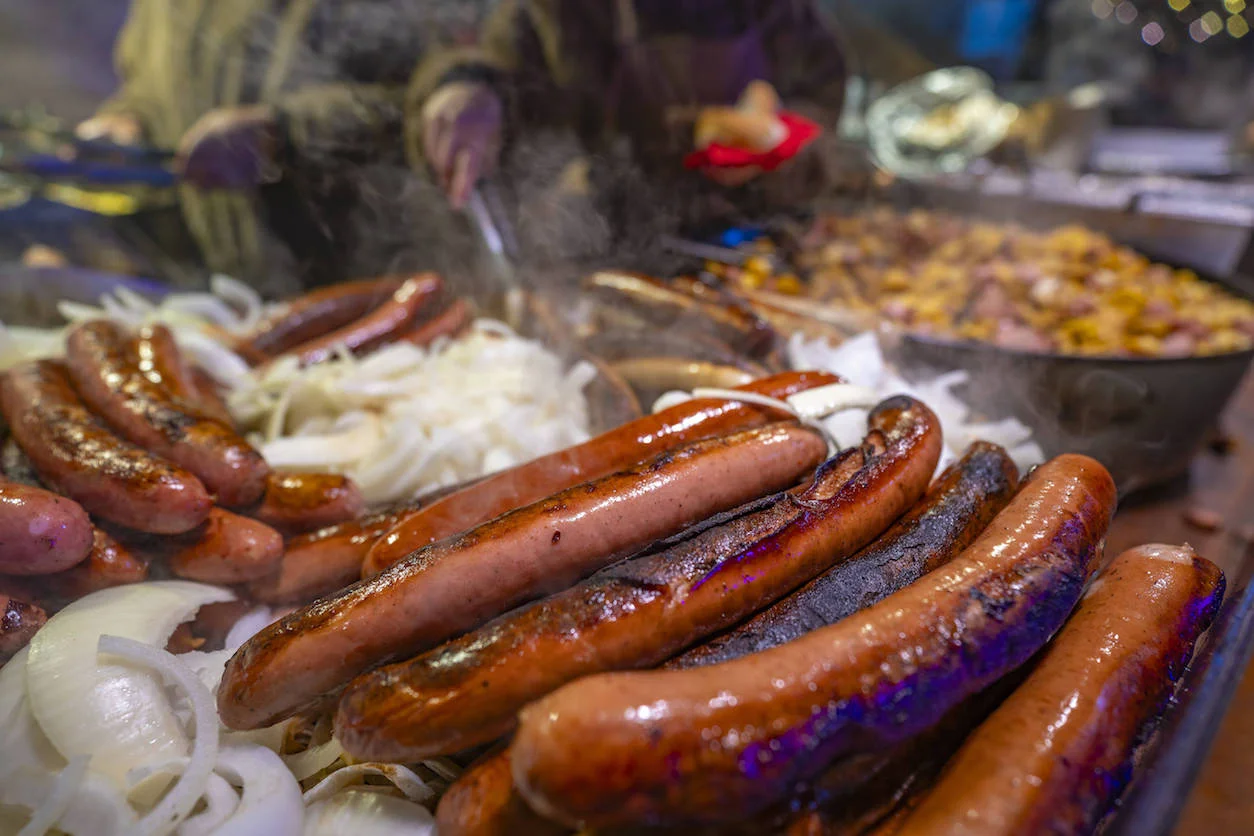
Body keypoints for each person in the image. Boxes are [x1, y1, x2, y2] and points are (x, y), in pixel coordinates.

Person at [407, 0, 864, 268]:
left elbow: (821, 94)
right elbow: (498, 61)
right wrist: (469, 85)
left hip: (759, 244)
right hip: (611, 241)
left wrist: (785, 156)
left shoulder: (783, 13)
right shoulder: (566, 11)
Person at [77, 0, 427, 292]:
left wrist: (282, 131)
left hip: (370, 292)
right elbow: (150, 81)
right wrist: (127, 123)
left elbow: (432, 101)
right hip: (230, 288)